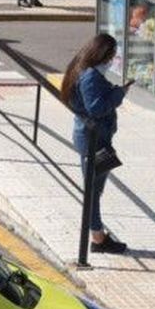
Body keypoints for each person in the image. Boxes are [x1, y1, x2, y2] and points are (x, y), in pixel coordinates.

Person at [60, 33, 130, 254]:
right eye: (111, 56)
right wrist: (119, 93)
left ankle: (97, 236)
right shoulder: (90, 75)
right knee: (92, 191)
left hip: (94, 138)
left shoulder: (82, 68)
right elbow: (96, 108)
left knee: (94, 190)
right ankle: (97, 238)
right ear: (102, 54)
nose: (111, 60)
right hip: (93, 140)